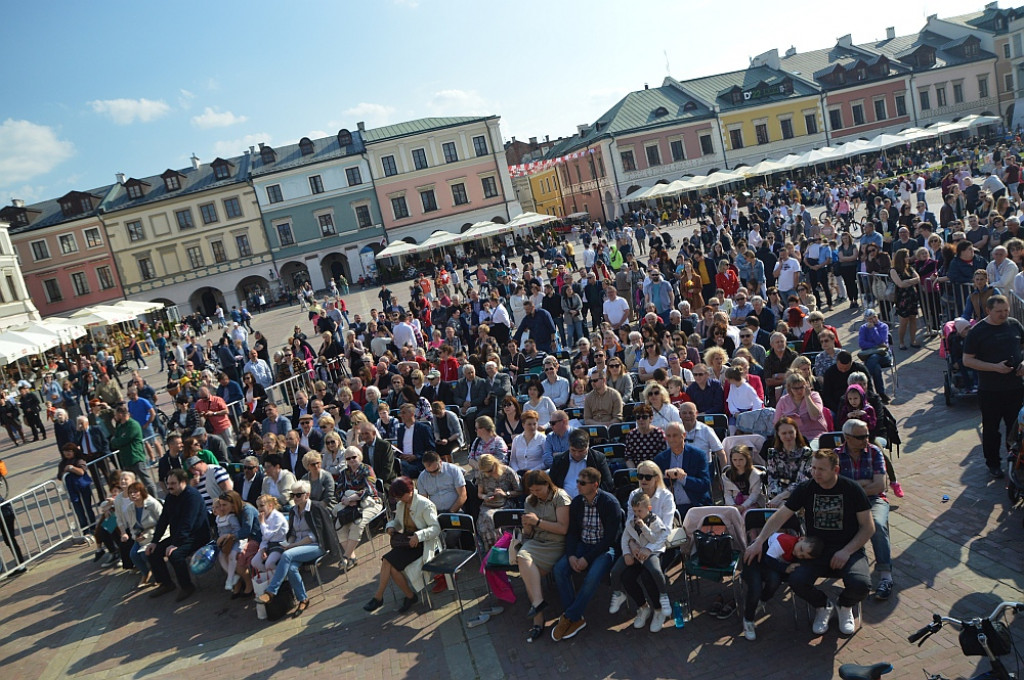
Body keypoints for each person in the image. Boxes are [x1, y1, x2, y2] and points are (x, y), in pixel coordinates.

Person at [744, 449, 875, 636]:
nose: (815, 473)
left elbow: (868, 528)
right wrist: (759, 541)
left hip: (848, 549)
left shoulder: (852, 489)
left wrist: (846, 551)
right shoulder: (807, 488)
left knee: (861, 585)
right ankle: (823, 606)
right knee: (797, 581)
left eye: (821, 469)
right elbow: (780, 516)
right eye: (813, 468)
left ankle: (844, 606)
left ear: (835, 469)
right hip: (815, 550)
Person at [550, 466, 623, 641]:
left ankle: (568, 617)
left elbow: (609, 539)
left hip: (605, 549)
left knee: (592, 577)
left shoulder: (610, 504)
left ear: (595, 485)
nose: (578, 486)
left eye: (582, 483)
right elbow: (572, 533)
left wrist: (586, 559)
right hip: (583, 545)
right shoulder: (577, 503)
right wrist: (572, 555)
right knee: (559, 570)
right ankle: (576, 618)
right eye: (577, 482)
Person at [255, 479, 341, 615]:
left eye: (298, 495)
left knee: (287, 555)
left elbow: (315, 536)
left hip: (316, 545)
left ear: (307, 495)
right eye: (292, 495)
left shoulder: (316, 508)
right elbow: (293, 533)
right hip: (298, 548)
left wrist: (292, 546)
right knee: (291, 567)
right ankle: (303, 599)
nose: (294, 498)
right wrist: (289, 543)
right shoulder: (293, 511)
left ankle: (271, 591)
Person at [963, 295, 1024, 478]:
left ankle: (1014, 460)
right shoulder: (977, 332)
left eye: (1006, 310)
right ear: (988, 311)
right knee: (991, 429)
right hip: (990, 390)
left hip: (1016, 388)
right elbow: (967, 360)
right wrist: (995, 368)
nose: (1004, 314)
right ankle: (994, 464)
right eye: (999, 311)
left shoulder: (1014, 325)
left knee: (1017, 428)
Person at [363, 477, 442, 615]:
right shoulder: (401, 504)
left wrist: (419, 535)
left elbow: (436, 528)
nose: (399, 500)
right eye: (397, 497)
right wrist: (391, 527)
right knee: (392, 567)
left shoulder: (425, 504)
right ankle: (409, 596)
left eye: (401, 496)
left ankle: (380, 597)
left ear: (410, 490)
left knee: (387, 561)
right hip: (407, 542)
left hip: (422, 543)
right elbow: (397, 521)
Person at [836, 418, 895, 601]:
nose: (866, 440)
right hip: (848, 503)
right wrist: (862, 485)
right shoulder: (835, 456)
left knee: (876, 524)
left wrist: (853, 488)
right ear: (847, 437)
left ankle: (886, 576)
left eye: (867, 435)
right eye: (861, 437)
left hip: (874, 500)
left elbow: (879, 486)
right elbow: (835, 487)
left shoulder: (875, 452)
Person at [519, 470, 572, 642]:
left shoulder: (560, 497)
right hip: (536, 541)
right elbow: (528, 533)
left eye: (539, 490)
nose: (536, 494)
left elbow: (563, 529)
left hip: (556, 543)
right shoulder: (530, 501)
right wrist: (527, 526)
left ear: (547, 485)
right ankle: (538, 603)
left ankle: (538, 618)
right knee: (523, 557)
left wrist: (538, 522)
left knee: (529, 574)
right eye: (532, 490)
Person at [740, 531, 823, 640]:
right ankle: (748, 619)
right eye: (801, 550)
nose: (799, 554)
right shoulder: (785, 541)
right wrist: (785, 568)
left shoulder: (797, 550)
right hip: (753, 560)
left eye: (802, 556)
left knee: (775, 581)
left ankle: (761, 601)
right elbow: (769, 559)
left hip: (768, 565)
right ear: (801, 539)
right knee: (755, 588)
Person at [608, 491, 671, 632]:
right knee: (626, 576)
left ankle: (659, 608)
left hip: (653, 553)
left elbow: (657, 539)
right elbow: (625, 537)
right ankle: (643, 607)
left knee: (648, 576)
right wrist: (627, 554)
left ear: (648, 508)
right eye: (635, 511)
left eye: (639, 511)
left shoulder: (655, 520)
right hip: (637, 555)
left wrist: (644, 529)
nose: (636, 514)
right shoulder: (631, 522)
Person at [146, 469, 211, 602]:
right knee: (154, 552)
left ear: (183, 483)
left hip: (197, 535)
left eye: (173, 483)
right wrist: (154, 541)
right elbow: (163, 520)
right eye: (168, 483)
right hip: (180, 536)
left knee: (175, 555)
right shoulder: (170, 497)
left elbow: (188, 523)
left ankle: (187, 586)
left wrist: (175, 544)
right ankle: (166, 583)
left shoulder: (192, 497)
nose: (169, 486)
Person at [334, 446, 383, 569]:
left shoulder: (367, 469)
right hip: (349, 504)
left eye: (354, 457)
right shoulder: (344, 473)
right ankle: (352, 557)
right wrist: (347, 500)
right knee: (339, 525)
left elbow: (369, 489)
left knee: (357, 523)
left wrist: (353, 498)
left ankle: (345, 557)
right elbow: (338, 492)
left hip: (370, 503)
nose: (351, 460)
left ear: (359, 457)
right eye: (348, 458)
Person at [652, 422, 712, 515]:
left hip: (695, 506)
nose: (671, 439)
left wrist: (683, 478)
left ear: (684, 435)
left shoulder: (698, 455)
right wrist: (668, 477)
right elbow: (655, 487)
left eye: (675, 435)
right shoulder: (660, 459)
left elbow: (704, 485)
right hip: (669, 509)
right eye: (669, 436)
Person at [475, 454, 522, 553]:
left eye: (490, 471)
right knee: (485, 518)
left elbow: (519, 491)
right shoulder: (482, 474)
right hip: (489, 504)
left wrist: (506, 493)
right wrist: (485, 497)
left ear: (495, 465)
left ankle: (500, 548)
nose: (489, 474)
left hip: (506, 503)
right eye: (486, 472)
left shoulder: (508, 472)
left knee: (492, 517)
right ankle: (492, 550)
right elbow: (479, 493)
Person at [549, 429, 614, 497]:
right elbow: (551, 484)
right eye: (573, 450)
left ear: (588, 446)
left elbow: (607, 484)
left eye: (581, 451)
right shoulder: (558, 460)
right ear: (569, 446)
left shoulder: (598, 459)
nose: (577, 454)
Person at [123, 481, 164, 588]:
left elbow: (163, 522)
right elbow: (132, 527)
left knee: (145, 554)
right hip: (141, 537)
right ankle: (146, 573)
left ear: (142, 492)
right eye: (130, 492)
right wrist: (135, 536)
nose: (132, 494)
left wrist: (146, 535)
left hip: (155, 535)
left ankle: (158, 575)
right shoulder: (130, 508)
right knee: (133, 555)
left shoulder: (152, 503)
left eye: (135, 492)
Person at [110, 405, 157, 496]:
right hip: (126, 460)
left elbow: (125, 439)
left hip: (136, 457)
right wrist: (117, 441)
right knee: (131, 485)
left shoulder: (133, 425)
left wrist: (118, 441)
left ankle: (156, 499)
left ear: (121, 414)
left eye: (116, 414)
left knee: (147, 482)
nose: (115, 417)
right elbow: (113, 442)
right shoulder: (120, 427)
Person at [773, 373, 828, 442]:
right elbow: (777, 423)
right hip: (792, 437)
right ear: (789, 388)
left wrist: (807, 397)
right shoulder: (783, 400)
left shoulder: (814, 396)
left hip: (814, 435)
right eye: (795, 388)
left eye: (802, 387)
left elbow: (815, 416)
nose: (799, 391)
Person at [723, 444, 764, 512]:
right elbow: (727, 494)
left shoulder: (755, 474)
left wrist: (743, 506)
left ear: (747, 459)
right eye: (735, 460)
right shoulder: (727, 474)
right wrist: (733, 505)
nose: (738, 463)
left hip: (751, 503)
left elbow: (755, 494)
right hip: (734, 502)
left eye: (741, 459)